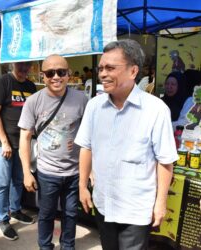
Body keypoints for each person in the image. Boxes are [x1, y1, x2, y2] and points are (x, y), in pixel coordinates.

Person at [75, 39, 178, 250]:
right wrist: (82, 185)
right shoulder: (94, 106)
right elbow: (86, 147)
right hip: (104, 203)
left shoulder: (156, 110)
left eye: (110, 68)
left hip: (136, 209)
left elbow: (165, 161)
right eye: (101, 68)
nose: (103, 74)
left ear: (133, 71)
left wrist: (161, 203)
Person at [19, 54, 88, 249]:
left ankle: (68, 246)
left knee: (71, 214)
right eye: (50, 73)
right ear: (43, 76)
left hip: (74, 172)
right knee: (46, 215)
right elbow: (24, 138)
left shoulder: (82, 100)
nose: (56, 77)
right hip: (47, 172)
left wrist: (89, 170)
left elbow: (89, 138)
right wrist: (26, 172)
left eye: (61, 72)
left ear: (69, 74)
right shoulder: (33, 101)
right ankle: (45, 246)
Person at [0, 62, 36, 240]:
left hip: (22, 142)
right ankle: (2, 219)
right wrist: (4, 142)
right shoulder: (2, 82)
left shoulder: (31, 86)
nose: (24, 70)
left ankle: (15, 210)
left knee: (18, 179)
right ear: (13, 64)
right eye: (20, 66)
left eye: (27, 66)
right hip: (2, 142)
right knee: (3, 183)